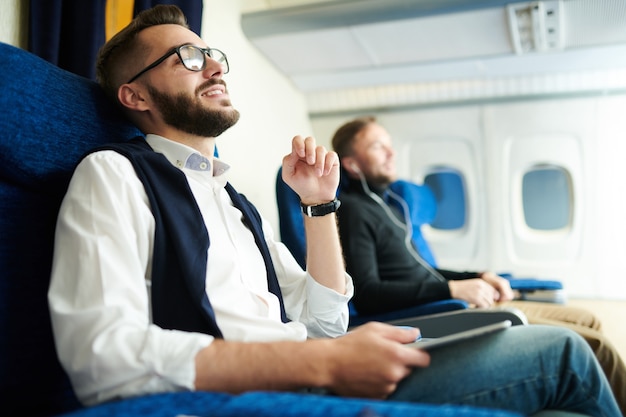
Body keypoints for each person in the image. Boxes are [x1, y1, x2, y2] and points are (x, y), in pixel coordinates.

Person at [47, 5, 620, 416]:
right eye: (188, 58)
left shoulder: (234, 201)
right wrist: (321, 366)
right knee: (564, 355)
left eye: (212, 54)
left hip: (315, 374)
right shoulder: (115, 175)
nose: (216, 67)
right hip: (268, 393)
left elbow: (326, 323)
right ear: (136, 96)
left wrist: (320, 205)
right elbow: (101, 355)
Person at [332, 115, 626, 415]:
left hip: (451, 298)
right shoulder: (355, 212)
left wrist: (479, 276)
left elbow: (424, 270)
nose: (391, 153)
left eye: (390, 145)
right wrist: (453, 289)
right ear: (353, 165)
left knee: (587, 319)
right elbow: (368, 293)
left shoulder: (389, 206)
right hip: (440, 309)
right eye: (379, 147)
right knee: (597, 346)